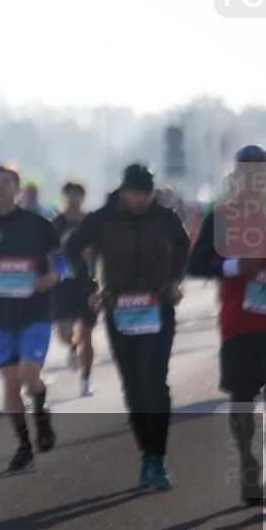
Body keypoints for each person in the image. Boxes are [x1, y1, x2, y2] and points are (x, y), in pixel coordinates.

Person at [65, 164, 190, 490]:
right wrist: (89, 287)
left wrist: (175, 280)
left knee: (155, 379)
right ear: (123, 192)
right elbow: (71, 247)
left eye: (145, 194)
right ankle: (146, 453)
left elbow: (182, 245)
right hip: (119, 309)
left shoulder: (165, 218)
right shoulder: (103, 218)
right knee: (134, 385)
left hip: (157, 307)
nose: (140, 200)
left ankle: (158, 456)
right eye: (134, 193)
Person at [186, 145, 266, 507]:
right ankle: (249, 467)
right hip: (240, 325)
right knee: (241, 400)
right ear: (237, 177)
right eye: (248, 172)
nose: (255, 178)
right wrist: (232, 267)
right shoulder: (222, 217)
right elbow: (195, 265)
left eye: (261, 171)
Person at [0, 165, 59, 471]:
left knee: (27, 374)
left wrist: (52, 276)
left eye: (7, 182)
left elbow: (55, 263)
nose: (1, 187)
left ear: (18, 189)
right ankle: (23, 443)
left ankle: (41, 413)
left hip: (35, 311)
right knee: (10, 382)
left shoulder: (38, 225)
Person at [52, 181, 97, 395]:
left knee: (88, 333)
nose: (74, 198)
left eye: (77, 194)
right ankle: (72, 346)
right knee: (64, 332)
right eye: (70, 194)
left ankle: (86, 379)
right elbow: (47, 253)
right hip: (63, 284)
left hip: (87, 283)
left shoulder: (90, 222)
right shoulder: (56, 224)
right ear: (64, 196)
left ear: (83, 197)